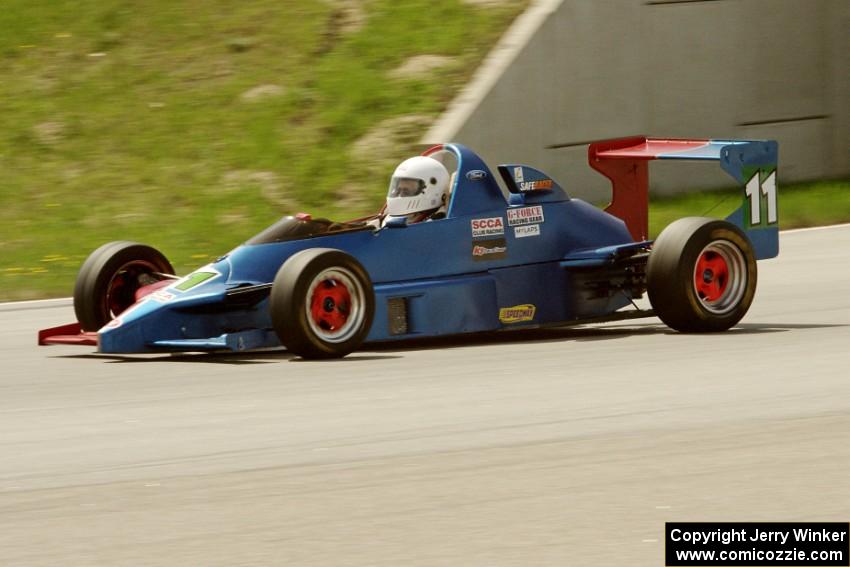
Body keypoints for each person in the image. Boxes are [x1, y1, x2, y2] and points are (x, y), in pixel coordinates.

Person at [378, 156, 450, 227]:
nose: (399, 194)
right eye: (398, 189)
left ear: (434, 189)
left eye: (407, 190)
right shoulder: (385, 219)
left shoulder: (438, 225)